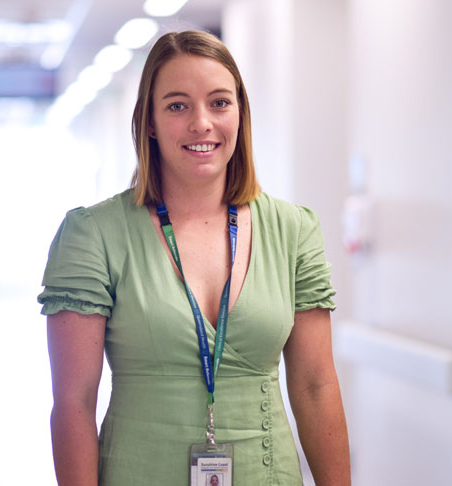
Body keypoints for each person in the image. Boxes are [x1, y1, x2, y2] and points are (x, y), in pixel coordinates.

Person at [39, 30, 350, 485]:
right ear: (149, 120)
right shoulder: (93, 235)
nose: (201, 123)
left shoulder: (293, 231)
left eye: (219, 103)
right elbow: (74, 403)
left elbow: (316, 387)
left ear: (240, 114)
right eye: (177, 105)